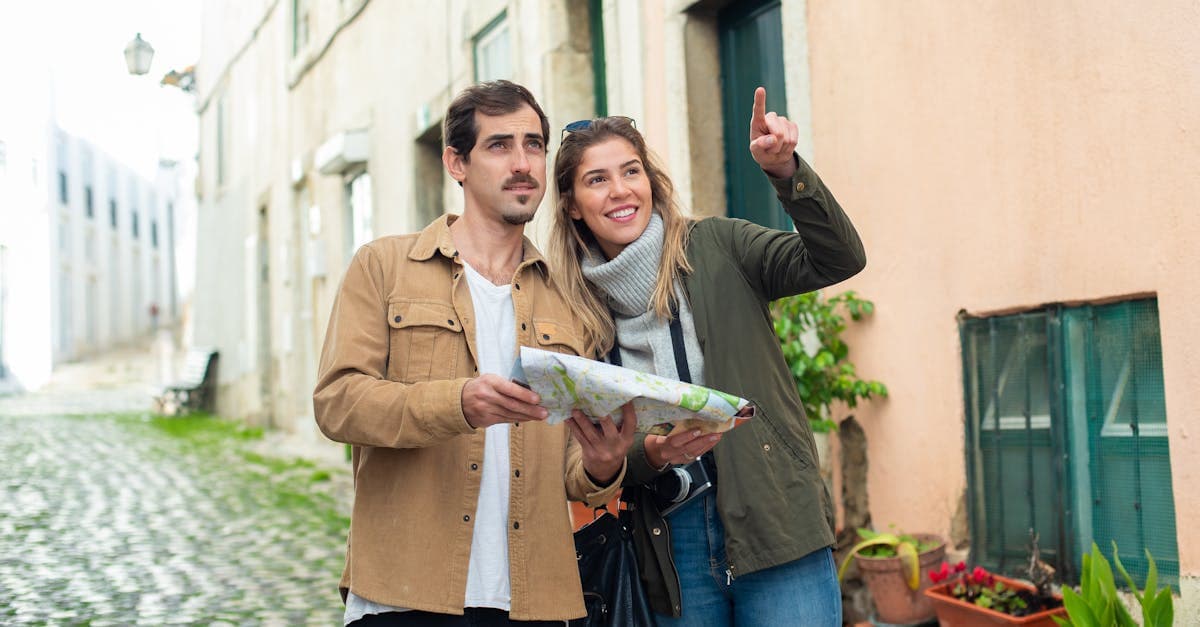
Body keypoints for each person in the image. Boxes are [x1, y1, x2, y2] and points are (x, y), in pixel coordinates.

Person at [313, 80, 636, 627]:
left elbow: (573, 469)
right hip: (406, 593)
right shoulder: (383, 267)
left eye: (534, 145)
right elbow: (338, 403)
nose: (522, 163)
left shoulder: (571, 298)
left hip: (534, 602)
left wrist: (603, 466)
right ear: (455, 162)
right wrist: (458, 403)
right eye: (499, 145)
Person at [547, 87, 866, 626]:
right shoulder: (572, 311)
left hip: (773, 520)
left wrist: (786, 172)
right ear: (573, 204)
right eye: (596, 179)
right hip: (672, 544)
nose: (620, 191)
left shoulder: (717, 246)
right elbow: (590, 458)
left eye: (631, 171)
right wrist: (649, 453)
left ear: (651, 181)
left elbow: (837, 258)